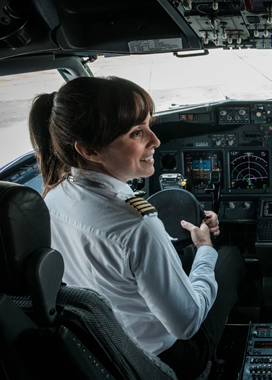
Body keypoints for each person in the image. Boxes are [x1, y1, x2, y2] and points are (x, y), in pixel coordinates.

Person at [29, 76, 246, 379]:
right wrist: (205, 249)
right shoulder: (137, 226)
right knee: (229, 257)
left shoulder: (54, 194)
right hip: (166, 356)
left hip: (107, 341)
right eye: (136, 133)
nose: (155, 141)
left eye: (149, 124)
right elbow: (187, 324)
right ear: (89, 151)